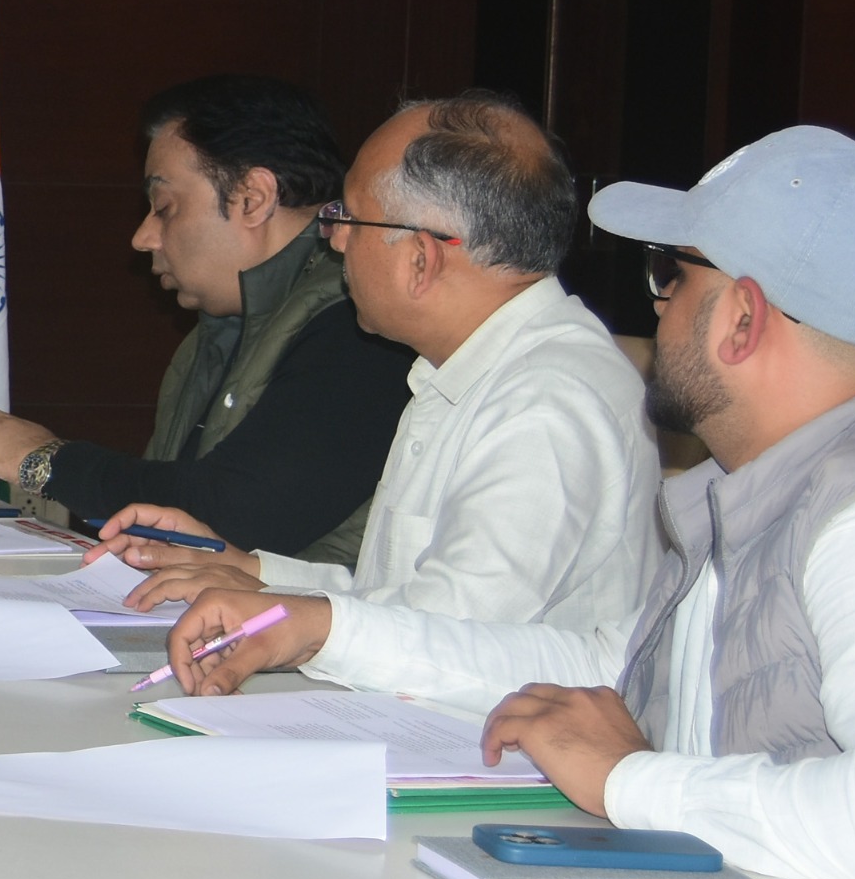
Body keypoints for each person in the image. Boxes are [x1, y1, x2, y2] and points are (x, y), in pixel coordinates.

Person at [158, 126, 855, 879]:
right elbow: (606, 662)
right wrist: (321, 628)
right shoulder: (778, 478)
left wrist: (627, 778)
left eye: (672, 274)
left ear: (742, 318)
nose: (657, 307)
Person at [103, 91, 657, 631]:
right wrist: (251, 572)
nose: (334, 241)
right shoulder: (469, 369)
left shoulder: (546, 403)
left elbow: (451, 638)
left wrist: (302, 622)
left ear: (421, 258)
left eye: (348, 218)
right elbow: (401, 597)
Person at [0, 75, 412, 561]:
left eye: (164, 207)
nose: (142, 238)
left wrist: (47, 461)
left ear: (253, 198)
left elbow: (231, 515)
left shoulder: (359, 325)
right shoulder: (214, 334)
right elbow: (166, 516)